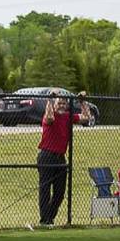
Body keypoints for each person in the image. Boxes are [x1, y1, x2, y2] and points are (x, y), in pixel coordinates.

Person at [36, 90, 91, 227]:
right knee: (45, 190)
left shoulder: (68, 117)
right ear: (54, 105)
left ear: (67, 105)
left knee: (60, 192)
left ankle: (49, 218)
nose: (61, 105)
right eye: (59, 102)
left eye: (64, 103)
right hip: (46, 156)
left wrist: (82, 102)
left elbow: (86, 117)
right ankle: (45, 220)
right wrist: (49, 99)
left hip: (60, 158)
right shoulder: (50, 115)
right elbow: (49, 118)